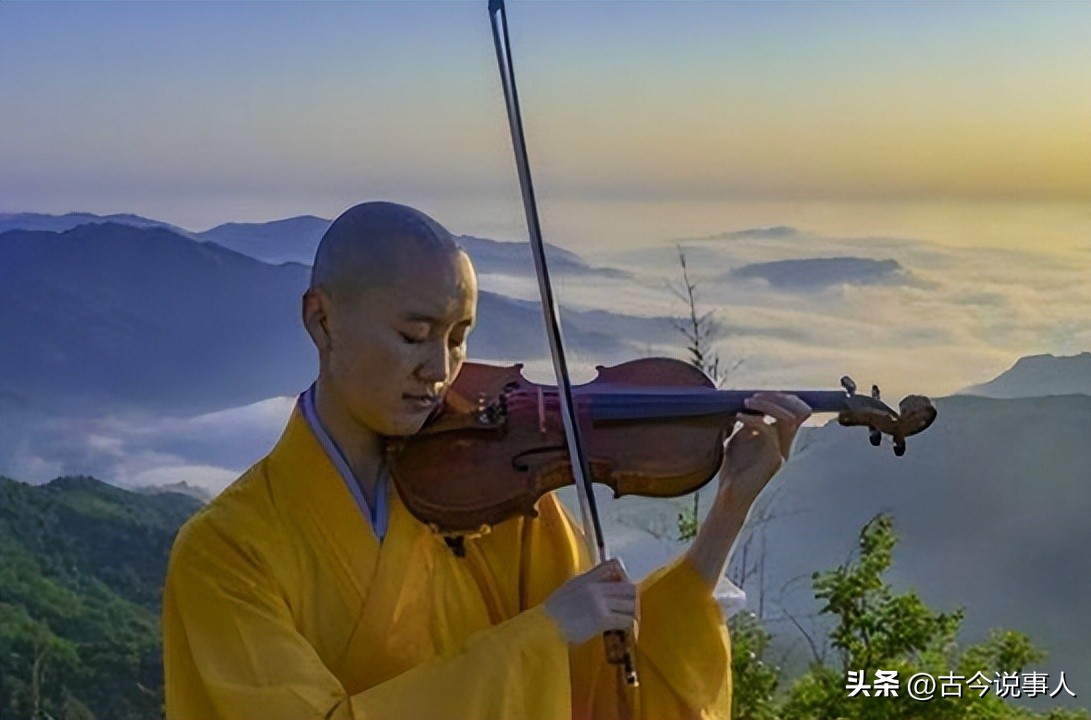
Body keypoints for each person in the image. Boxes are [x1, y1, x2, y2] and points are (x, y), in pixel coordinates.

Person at [162, 201, 811, 720]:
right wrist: (543, 636)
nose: (441, 371)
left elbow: (610, 686)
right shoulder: (226, 552)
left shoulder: (489, 495)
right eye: (413, 336)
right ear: (322, 319)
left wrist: (727, 512)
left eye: (459, 338)